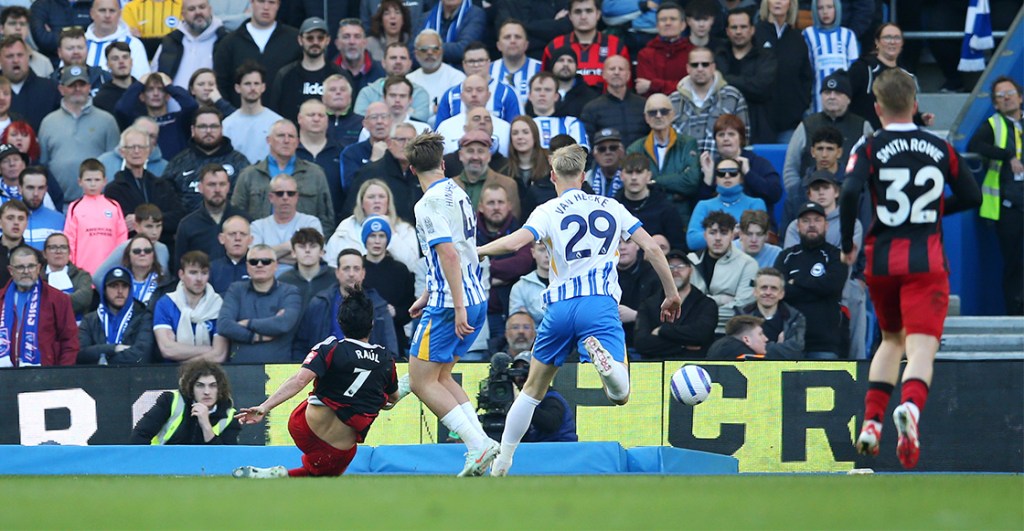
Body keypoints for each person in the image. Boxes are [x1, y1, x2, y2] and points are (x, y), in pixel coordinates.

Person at [478, 144, 680, 477]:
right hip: (598, 304)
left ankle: (503, 461)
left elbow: (515, 243)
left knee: (531, 390)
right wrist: (670, 293)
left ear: (553, 175)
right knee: (620, 394)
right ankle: (605, 363)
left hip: (558, 308)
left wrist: (480, 250)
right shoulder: (612, 207)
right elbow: (653, 249)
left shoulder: (547, 210)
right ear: (584, 176)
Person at [843, 68, 981, 469]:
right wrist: (937, 212)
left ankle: (871, 424)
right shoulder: (940, 148)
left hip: (882, 259)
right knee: (922, 346)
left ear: (877, 107)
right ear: (916, 105)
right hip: (926, 260)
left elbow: (850, 190)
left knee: (890, 340)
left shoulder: (869, 147)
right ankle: (911, 410)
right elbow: (970, 194)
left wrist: (848, 243)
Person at [401, 132, 497, 477]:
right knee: (440, 375)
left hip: (450, 305)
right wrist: (428, 291)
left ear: (411, 169)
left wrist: (452, 306)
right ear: (442, 164)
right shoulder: (457, 191)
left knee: (419, 382)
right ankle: (484, 445)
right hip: (476, 296)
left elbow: (449, 254)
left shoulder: (425, 204)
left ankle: (478, 445)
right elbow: (455, 249)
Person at [233, 288, 398, 478]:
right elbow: (392, 399)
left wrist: (264, 407)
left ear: (340, 322)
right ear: (371, 324)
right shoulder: (385, 359)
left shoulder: (330, 347)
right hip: (338, 448)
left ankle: (277, 475)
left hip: (302, 427)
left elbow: (299, 380)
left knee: (324, 392)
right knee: (339, 458)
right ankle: (284, 475)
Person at [968, 76, 1023, 315]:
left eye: (1010, 93)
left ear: (1020, 97)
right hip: (1008, 206)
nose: (1007, 98)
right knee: (1014, 262)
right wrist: (1005, 155)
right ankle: (1016, 312)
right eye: (1000, 96)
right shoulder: (993, 124)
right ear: (996, 104)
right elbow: (975, 146)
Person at [782, 69, 873, 214]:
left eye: (838, 93)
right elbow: (790, 168)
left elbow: (871, 169)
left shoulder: (862, 126)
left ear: (849, 98)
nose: (831, 97)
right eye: (826, 93)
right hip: (810, 202)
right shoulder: (806, 125)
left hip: (851, 203)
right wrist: (801, 196)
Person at [231, 119, 335, 233]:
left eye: (291, 136)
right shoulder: (249, 175)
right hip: (260, 245)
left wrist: (315, 246)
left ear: (297, 142)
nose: (286, 141)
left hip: (303, 246)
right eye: (281, 136)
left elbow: (326, 219)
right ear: (268, 140)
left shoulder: (315, 174)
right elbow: (237, 216)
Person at [293, 247, 398, 357]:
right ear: (337, 272)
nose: (351, 274)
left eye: (356, 269)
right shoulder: (319, 303)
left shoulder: (379, 307)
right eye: (346, 268)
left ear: (363, 273)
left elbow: (390, 351)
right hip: (325, 369)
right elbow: (301, 345)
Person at [775, 201, 847, 359]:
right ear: (798, 226)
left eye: (817, 220)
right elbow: (779, 291)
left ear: (826, 225)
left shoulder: (836, 255)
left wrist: (797, 281)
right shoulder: (786, 256)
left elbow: (832, 286)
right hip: (789, 340)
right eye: (806, 221)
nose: (812, 225)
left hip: (825, 342)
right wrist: (817, 289)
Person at [38, 65, 120, 204]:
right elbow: (43, 164)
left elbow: (115, 164)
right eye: (71, 85)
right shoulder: (48, 122)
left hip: (98, 202)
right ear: (61, 89)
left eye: (81, 84)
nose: (77, 89)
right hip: (60, 204)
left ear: (89, 87)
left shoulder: (107, 121)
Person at [217, 244, 302, 363]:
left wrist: (247, 323)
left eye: (266, 261)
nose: (259, 265)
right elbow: (224, 325)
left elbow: (283, 324)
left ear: (276, 265)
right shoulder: (236, 290)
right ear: (247, 266)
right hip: (239, 370)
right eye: (253, 261)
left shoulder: (290, 291)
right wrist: (255, 337)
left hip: (279, 370)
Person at [626, 93, 700, 228]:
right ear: (646, 118)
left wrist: (655, 181)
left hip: (681, 216)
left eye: (664, 111)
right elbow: (635, 186)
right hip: (648, 217)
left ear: (672, 115)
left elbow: (692, 181)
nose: (659, 115)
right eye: (653, 112)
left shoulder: (688, 143)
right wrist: (676, 181)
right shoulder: (635, 148)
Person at [103, 126, 185, 243]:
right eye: (131, 147)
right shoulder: (113, 189)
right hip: (131, 249)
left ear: (149, 151)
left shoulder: (162, 185)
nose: (137, 151)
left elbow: (178, 217)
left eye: (141, 147)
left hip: (164, 247)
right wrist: (160, 219)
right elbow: (118, 224)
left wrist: (141, 219)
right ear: (122, 152)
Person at [0, 245, 78, 367]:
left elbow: (69, 342)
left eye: (31, 266)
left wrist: (62, 376)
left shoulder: (58, 299)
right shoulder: (1, 298)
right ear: (11, 270)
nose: (26, 271)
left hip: (45, 377)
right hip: (4, 379)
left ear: (38, 268)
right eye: (20, 267)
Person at [213, 0, 300, 108]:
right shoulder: (229, 43)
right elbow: (221, 83)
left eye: (272, 2)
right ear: (251, 3)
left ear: (278, 5)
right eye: (261, 1)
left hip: (284, 119)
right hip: (239, 118)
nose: (266, 7)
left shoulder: (294, 40)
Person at [634, 249, 718, 360]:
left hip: (694, 366)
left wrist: (662, 330)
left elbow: (702, 335)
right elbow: (641, 342)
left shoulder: (706, 304)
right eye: (670, 267)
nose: (675, 271)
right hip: (657, 368)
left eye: (681, 266)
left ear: (690, 270)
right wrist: (682, 345)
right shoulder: (648, 304)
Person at [847, 23, 934, 131]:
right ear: (877, 42)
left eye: (897, 38)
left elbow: (906, 110)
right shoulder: (862, 68)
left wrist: (920, 118)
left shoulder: (907, 76)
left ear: (902, 43)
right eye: (887, 37)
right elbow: (844, 98)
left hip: (895, 139)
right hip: (865, 136)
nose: (892, 42)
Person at [131, 359, 240, 444]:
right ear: (190, 388)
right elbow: (140, 435)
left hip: (204, 469)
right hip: (164, 464)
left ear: (220, 389)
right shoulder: (170, 401)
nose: (207, 392)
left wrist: (206, 425)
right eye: (200, 386)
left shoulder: (230, 417)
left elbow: (225, 458)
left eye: (213, 386)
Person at [164, 107, 250, 213]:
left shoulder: (239, 162)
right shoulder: (178, 162)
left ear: (222, 129)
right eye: (202, 127)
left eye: (213, 126)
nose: (208, 131)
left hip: (230, 226)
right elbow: (166, 200)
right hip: (187, 226)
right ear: (193, 130)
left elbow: (248, 200)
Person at [476, 183, 533, 342]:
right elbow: (464, 265)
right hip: (479, 314)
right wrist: (503, 275)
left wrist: (485, 270)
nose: (496, 207)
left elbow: (523, 262)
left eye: (500, 202)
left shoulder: (520, 231)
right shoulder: (470, 234)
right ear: (481, 207)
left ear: (509, 206)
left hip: (511, 314)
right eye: (490, 203)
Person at [687, 210, 758, 335]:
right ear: (705, 235)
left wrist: (699, 314)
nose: (718, 238)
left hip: (730, 333)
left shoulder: (748, 264)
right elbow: (683, 303)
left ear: (732, 235)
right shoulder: (690, 261)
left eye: (724, 233)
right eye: (712, 233)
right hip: (691, 331)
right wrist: (720, 299)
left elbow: (743, 309)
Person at [325, 178, 419, 272]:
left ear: (388, 202)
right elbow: (330, 265)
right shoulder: (346, 228)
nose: (377, 201)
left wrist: (392, 232)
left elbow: (412, 266)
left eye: (381, 196)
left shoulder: (404, 229)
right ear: (361, 203)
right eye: (371, 197)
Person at [153, 250, 229, 363]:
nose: (199, 278)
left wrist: (185, 364)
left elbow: (219, 354)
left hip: (211, 374)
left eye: (204, 273)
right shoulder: (166, 303)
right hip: (170, 375)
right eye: (193, 272)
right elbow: (167, 349)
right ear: (181, 275)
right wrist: (207, 349)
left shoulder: (219, 304)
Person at [671, 47, 748, 156]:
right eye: (695, 65)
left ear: (713, 67)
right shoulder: (673, 101)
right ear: (688, 68)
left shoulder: (733, 96)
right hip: (683, 170)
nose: (700, 69)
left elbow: (744, 137)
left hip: (723, 170)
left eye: (705, 64)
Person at [715, 8, 776, 144]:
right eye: (734, 27)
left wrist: (726, 79)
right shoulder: (720, 55)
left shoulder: (765, 56)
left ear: (752, 30)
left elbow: (762, 89)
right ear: (727, 31)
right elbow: (716, 88)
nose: (738, 31)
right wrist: (749, 83)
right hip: (725, 131)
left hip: (760, 129)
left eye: (743, 27)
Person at [268, 17, 344, 122]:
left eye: (320, 38)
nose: (315, 42)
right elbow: (274, 114)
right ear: (300, 40)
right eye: (310, 38)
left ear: (328, 40)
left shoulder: (339, 75)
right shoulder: (285, 75)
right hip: (291, 137)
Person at [541, 0, 629, 91]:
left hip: (607, 104)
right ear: (570, 16)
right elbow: (545, 83)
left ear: (598, 14)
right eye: (578, 12)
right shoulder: (555, 46)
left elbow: (626, 86)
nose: (583, 17)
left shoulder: (616, 45)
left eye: (589, 11)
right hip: (565, 104)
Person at [77, 266, 154, 365]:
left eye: (124, 286)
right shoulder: (90, 320)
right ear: (104, 290)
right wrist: (113, 349)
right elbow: (81, 354)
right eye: (114, 286)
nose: (120, 291)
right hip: (95, 378)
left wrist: (104, 361)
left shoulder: (144, 317)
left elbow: (141, 355)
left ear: (130, 290)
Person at [64, 160, 128, 275]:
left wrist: (120, 264)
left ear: (105, 181)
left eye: (97, 180)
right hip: (83, 271)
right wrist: (71, 267)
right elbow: (70, 239)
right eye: (88, 180)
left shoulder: (114, 206)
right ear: (80, 182)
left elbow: (121, 237)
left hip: (110, 270)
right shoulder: (75, 207)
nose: (93, 184)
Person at [687, 158, 766, 251]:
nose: (727, 176)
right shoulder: (703, 205)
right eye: (721, 173)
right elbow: (692, 241)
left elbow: (756, 237)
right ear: (716, 179)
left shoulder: (755, 203)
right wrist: (733, 233)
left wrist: (713, 234)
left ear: (741, 178)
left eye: (733, 172)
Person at [615, 153, 686, 255]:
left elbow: (679, 248)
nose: (634, 177)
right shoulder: (613, 207)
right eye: (629, 172)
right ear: (621, 176)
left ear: (648, 176)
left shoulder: (666, 208)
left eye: (639, 172)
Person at [434, 43, 521, 126]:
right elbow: (440, 130)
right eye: (471, 61)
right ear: (464, 64)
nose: (476, 65)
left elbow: (514, 127)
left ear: (489, 62)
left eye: (480, 60)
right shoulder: (450, 95)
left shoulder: (506, 93)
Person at [250, 173, 323, 271]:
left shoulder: (311, 222)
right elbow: (255, 259)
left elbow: (315, 258)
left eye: (290, 193)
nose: (285, 197)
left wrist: (269, 256)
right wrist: (289, 246)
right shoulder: (257, 226)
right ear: (271, 197)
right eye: (280, 193)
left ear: (296, 197)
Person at [153, 0, 230, 90]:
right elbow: (155, 76)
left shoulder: (225, 41)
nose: (198, 12)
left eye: (202, 7)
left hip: (213, 103)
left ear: (210, 9)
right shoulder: (171, 41)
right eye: (191, 9)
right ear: (183, 14)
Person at [92, 203, 171, 289]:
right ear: (136, 226)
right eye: (149, 226)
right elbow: (97, 277)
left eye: (158, 226)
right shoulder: (125, 248)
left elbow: (165, 280)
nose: (154, 232)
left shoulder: (163, 249)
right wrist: (114, 298)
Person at [507, 351, 578, 443]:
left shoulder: (551, 398)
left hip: (560, 449)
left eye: (525, 370)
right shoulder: (519, 401)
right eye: (517, 371)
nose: (521, 376)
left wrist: (524, 406)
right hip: (538, 450)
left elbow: (551, 425)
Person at [802, 0, 859, 113]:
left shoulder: (848, 35)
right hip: (817, 102)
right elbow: (806, 70)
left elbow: (853, 70)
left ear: (836, 9)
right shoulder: (807, 34)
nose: (825, 12)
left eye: (829, 7)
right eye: (820, 8)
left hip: (844, 101)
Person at [579, 55, 649, 148]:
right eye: (612, 69)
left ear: (628, 75)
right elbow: (587, 145)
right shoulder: (591, 108)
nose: (616, 72)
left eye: (621, 69)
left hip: (639, 161)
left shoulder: (644, 105)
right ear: (604, 74)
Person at [737, 267, 805, 360]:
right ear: (755, 292)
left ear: (781, 294)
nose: (768, 292)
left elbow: (795, 351)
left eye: (774, 288)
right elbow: (736, 348)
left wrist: (756, 346)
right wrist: (778, 347)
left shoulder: (795, 318)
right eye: (764, 287)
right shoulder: (741, 316)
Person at [221, 62, 284, 164]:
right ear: (237, 88)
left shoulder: (278, 123)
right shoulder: (227, 125)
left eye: (256, 83)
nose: (253, 88)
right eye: (247, 84)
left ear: (263, 87)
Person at [353, 42, 430, 123]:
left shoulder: (420, 93)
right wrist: (407, 112)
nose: (398, 62)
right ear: (383, 63)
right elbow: (359, 121)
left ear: (410, 64)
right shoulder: (367, 93)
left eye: (403, 58)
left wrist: (375, 115)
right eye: (393, 58)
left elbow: (420, 120)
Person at [2, 36, 61, 134]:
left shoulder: (50, 89)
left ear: (28, 57)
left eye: (20, 55)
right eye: (9, 56)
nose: (15, 60)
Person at [635, 2, 693, 97]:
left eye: (673, 19)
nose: (668, 23)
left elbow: (692, 88)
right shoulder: (645, 54)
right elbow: (645, 91)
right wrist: (677, 86)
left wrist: (653, 85)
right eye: (663, 20)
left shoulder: (693, 53)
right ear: (657, 26)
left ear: (683, 25)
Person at [406, 30, 465, 118]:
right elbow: (406, 113)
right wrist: (433, 110)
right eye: (424, 49)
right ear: (416, 54)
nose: (429, 53)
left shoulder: (457, 78)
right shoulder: (408, 80)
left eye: (435, 49)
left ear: (442, 51)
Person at [527, 71, 588, 150]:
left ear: (556, 96)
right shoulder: (521, 125)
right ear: (529, 96)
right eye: (538, 89)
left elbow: (581, 153)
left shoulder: (571, 123)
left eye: (547, 90)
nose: (542, 94)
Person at [490, 19, 542, 112]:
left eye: (517, 37)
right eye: (507, 37)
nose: (513, 41)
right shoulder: (487, 71)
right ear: (498, 45)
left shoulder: (542, 69)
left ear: (526, 44)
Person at [278, 227, 335, 308]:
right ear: (293, 253)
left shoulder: (336, 278)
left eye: (313, 246)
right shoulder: (283, 281)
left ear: (322, 252)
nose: (307, 250)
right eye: (302, 246)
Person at [418, 0, 485, 66]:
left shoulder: (475, 14)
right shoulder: (425, 18)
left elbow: (464, 49)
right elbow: (413, 51)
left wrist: (427, 48)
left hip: (461, 72)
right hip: (428, 71)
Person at [42, 232, 93, 319]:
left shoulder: (82, 275)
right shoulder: (37, 277)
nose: (58, 251)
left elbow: (83, 299)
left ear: (69, 252)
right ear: (44, 253)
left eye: (63, 247)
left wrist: (50, 302)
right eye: (53, 247)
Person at [330, 17, 383, 98]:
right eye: (346, 37)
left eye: (357, 37)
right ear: (337, 44)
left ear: (365, 43)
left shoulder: (381, 72)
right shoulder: (328, 73)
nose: (352, 42)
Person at [1, 7, 52, 78]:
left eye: (22, 24)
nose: (18, 28)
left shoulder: (43, 62)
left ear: (28, 29)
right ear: (1, 29)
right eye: (12, 23)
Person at [209, 215, 252, 293]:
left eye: (243, 234)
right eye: (232, 234)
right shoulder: (211, 269)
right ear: (221, 239)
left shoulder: (259, 268)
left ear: (250, 240)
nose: (238, 238)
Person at [120, 234, 166, 307]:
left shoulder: (165, 283)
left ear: (153, 255)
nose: (142, 253)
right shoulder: (119, 281)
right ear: (128, 255)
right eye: (137, 251)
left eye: (147, 251)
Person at [92, 42, 137, 116]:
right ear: (107, 65)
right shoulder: (101, 99)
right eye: (115, 58)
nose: (121, 62)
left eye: (125, 57)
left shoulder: (143, 91)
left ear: (131, 62)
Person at [322, 74, 364, 149]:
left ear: (350, 97)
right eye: (332, 89)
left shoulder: (362, 123)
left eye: (343, 89)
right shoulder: (317, 122)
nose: (338, 92)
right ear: (323, 98)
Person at [0, 198, 28, 287]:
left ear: (26, 223)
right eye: (10, 218)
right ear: (0, 222)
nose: (16, 222)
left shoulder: (36, 256)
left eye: (21, 218)